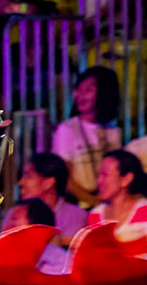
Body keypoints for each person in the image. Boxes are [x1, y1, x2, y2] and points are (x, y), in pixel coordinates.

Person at [52, 66, 123, 207]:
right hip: (78, 206)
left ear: (104, 93)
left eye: (88, 90)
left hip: (108, 204)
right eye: (78, 89)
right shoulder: (67, 130)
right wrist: (94, 201)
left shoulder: (113, 131)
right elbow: (63, 178)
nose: (80, 95)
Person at [91, 150, 147, 254]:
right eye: (99, 175)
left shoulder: (146, 210)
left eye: (105, 175)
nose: (99, 181)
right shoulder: (96, 215)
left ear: (126, 179)